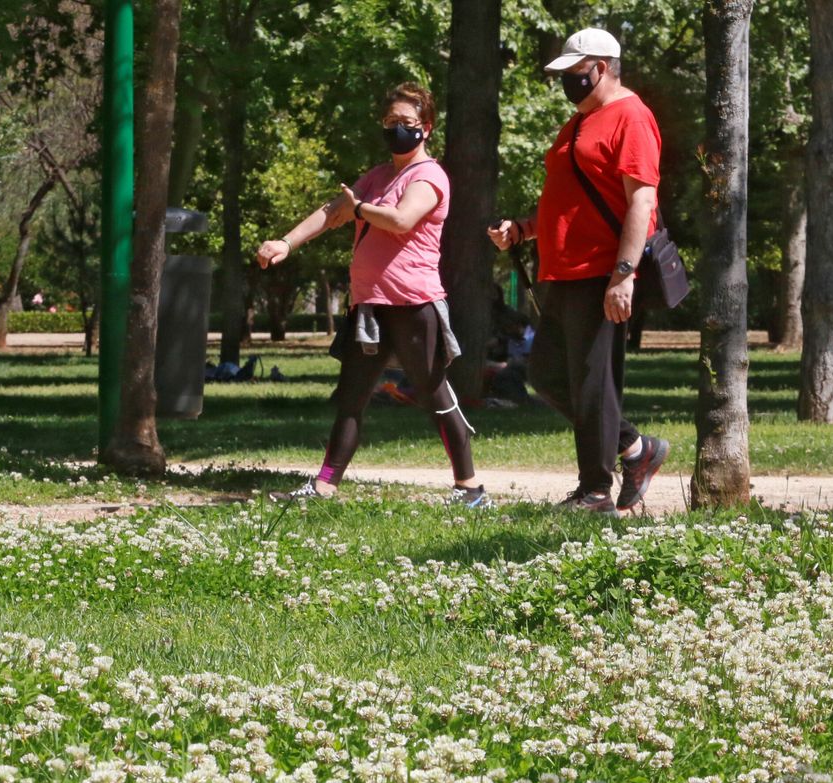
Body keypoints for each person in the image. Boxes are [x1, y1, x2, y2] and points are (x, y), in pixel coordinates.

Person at [256, 82, 488, 507]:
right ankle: (324, 486)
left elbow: (401, 220)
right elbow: (332, 211)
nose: (396, 130)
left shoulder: (429, 175)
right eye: (389, 123)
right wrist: (286, 243)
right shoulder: (378, 176)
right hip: (369, 305)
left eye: (406, 123)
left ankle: (470, 488)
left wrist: (360, 208)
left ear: (427, 127)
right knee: (351, 396)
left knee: (435, 394)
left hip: (414, 305)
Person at [488, 27, 669, 515]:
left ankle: (595, 494)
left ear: (602, 68)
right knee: (547, 375)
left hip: (600, 272)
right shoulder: (578, 123)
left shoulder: (630, 116)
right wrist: (524, 229)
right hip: (562, 270)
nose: (569, 82)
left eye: (575, 73)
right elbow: (565, 200)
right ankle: (635, 449)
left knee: (592, 383)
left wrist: (623, 274)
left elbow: (642, 201)